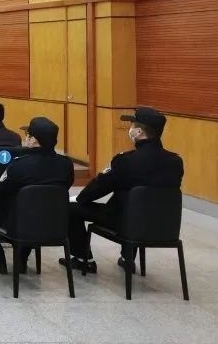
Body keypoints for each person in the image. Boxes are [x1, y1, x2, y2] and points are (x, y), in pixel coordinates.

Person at [61, 107, 184, 274]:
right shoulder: (175, 162)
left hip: (125, 222)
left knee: (71, 209)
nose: (129, 128)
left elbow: (101, 186)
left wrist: (80, 198)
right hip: (164, 225)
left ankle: (83, 260)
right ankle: (128, 259)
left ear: (139, 132)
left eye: (132, 125)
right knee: (139, 205)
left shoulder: (126, 161)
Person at [0, 116, 74, 273]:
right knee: (33, 210)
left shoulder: (19, 165)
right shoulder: (66, 164)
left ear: (34, 140)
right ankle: (21, 259)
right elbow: (65, 187)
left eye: (28, 135)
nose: (26, 138)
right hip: (55, 224)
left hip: (20, 225)